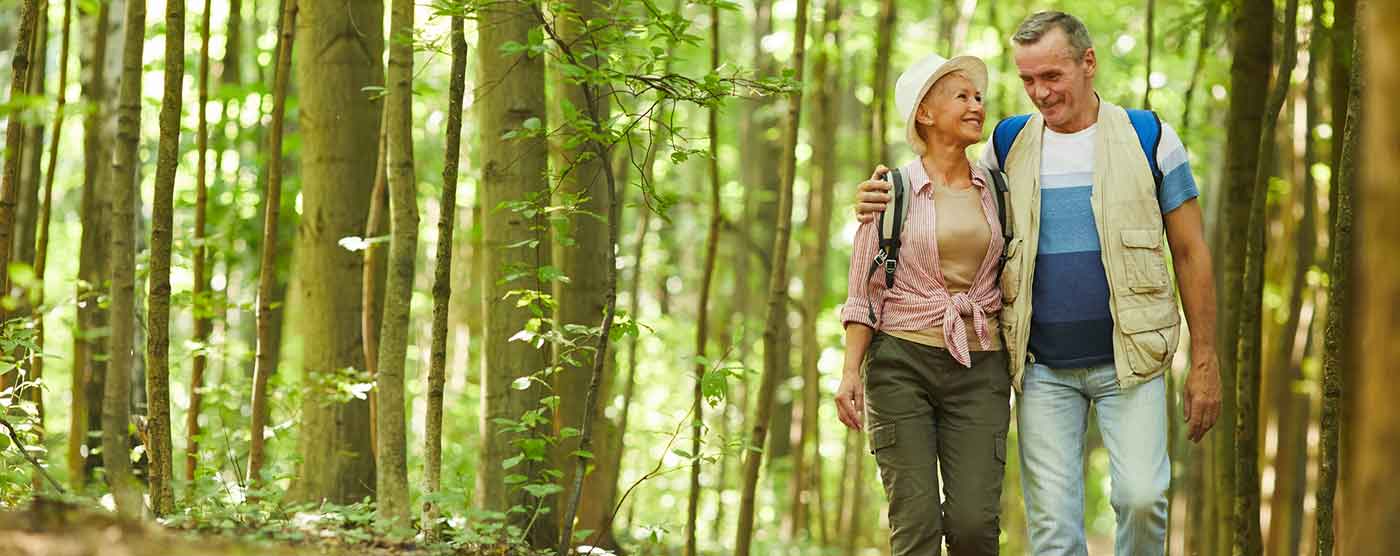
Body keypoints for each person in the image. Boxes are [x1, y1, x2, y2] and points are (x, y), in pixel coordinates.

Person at [850, 11, 1223, 556]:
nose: (1039, 93)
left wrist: (1206, 360)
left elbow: (1191, 252)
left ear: (1088, 63)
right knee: (1052, 531)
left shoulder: (1150, 138)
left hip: (1133, 359)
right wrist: (874, 198)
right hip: (1039, 366)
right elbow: (942, 186)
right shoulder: (1008, 144)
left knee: (1143, 499)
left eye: (1051, 76)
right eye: (1027, 80)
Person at [834, 52, 1009, 556]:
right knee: (916, 526)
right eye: (962, 96)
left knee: (975, 526)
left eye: (979, 96)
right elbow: (863, 295)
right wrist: (849, 374)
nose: (977, 105)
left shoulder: (997, 187)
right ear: (925, 114)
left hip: (980, 364)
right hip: (901, 367)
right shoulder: (891, 191)